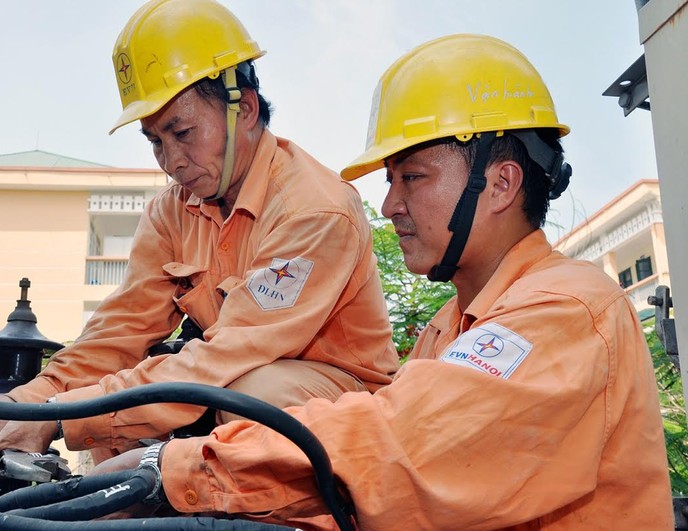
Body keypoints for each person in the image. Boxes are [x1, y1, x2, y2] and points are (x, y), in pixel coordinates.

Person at [95, 34, 674, 529]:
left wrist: (172, 467)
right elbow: (364, 489)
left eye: (413, 177)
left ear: (500, 184)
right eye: (390, 180)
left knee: (259, 392)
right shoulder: (449, 329)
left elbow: (402, 441)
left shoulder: (566, 309)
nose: (390, 204)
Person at [0, 0, 398, 468]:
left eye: (183, 132)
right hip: (226, 379)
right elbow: (120, 331)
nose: (171, 161)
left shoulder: (313, 210)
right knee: (119, 409)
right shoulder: (171, 209)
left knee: (256, 392)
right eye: (156, 141)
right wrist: (26, 401)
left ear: (248, 109)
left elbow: (229, 357)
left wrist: (59, 418)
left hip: (343, 399)